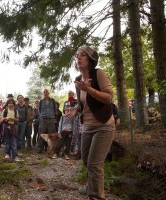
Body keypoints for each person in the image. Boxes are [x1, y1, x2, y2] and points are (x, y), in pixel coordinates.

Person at [66, 46, 115, 199]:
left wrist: (90, 89)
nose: (78, 58)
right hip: (87, 126)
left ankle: (96, 195)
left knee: (94, 164)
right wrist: (76, 109)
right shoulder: (79, 80)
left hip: (104, 125)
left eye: (82, 55)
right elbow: (83, 102)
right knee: (87, 160)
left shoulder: (98, 73)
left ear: (91, 59)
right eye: (77, 56)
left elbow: (108, 98)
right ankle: (91, 186)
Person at [37, 88, 57, 154]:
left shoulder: (52, 100)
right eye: (44, 92)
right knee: (42, 134)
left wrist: (54, 117)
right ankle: (40, 148)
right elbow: (39, 110)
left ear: (49, 93)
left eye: (46, 92)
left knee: (51, 135)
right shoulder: (41, 101)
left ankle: (51, 149)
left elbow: (55, 109)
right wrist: (41, 116)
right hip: (43, 119)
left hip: (51, 119)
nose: (45, 93)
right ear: (43, 93)